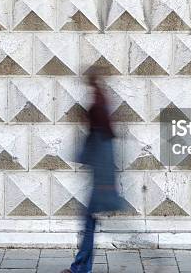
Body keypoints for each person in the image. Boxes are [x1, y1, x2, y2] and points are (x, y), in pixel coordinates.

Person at [61, 69, 126, 273]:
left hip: (101, 183)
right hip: (102, 181)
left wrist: (106, 185)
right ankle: (81, 267)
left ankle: (80, 268)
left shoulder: (98, 110)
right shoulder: (100, 107)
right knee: (89, 223)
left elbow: (100, 153)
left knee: (89, 225)